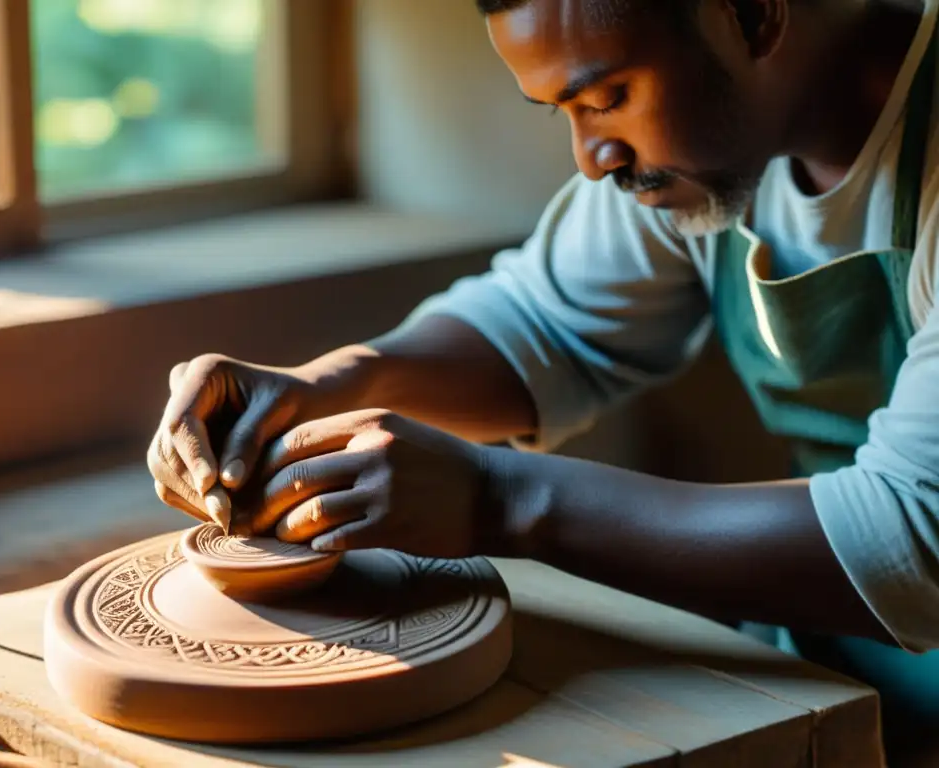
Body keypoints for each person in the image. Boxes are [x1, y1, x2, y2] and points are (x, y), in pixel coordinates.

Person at [148, 0, 939, 755]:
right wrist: (333, 383)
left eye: (605, 97)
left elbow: (911, 536)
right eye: (562, 111)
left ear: (753, 13)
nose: (591, 158)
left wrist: (502, 496)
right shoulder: (719, 149)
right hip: (844, 653)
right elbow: (540, 324)